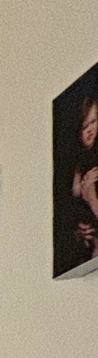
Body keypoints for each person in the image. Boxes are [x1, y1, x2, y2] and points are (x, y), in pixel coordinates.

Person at [59, 91, 98, 274]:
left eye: (94, 121)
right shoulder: (70, 162)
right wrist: (75, 231)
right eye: (84, 126)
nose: (91, 130)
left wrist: (91, 199)